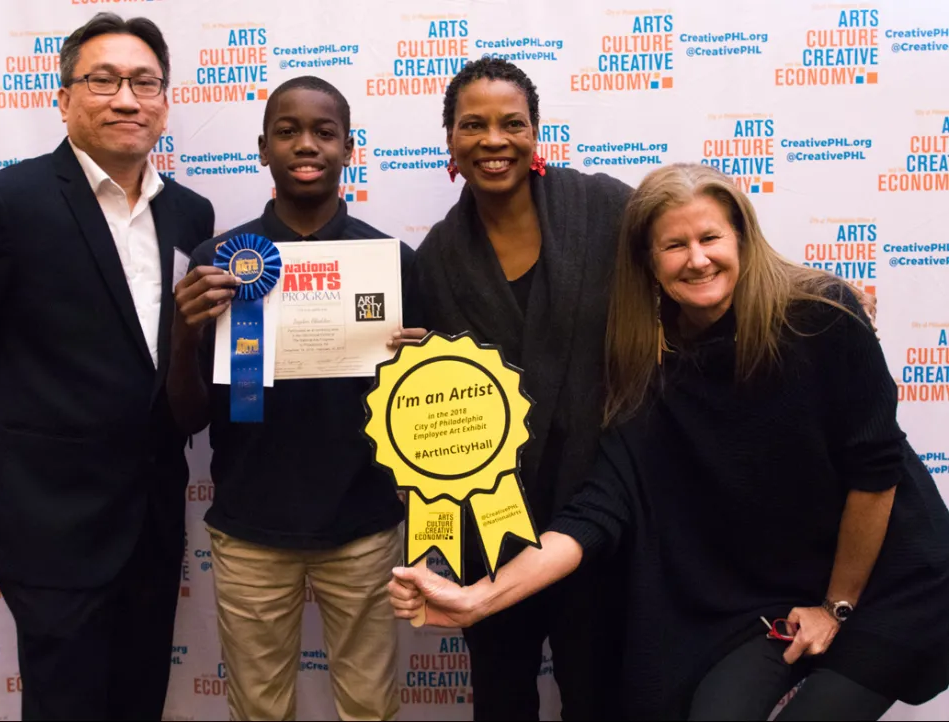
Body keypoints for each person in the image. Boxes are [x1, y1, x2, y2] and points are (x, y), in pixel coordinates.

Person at [389, 163, 949, 720]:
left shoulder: (822, 318)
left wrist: (835, 606)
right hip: (763, 595)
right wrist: (476, 599)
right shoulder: (648, 365)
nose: (698, 258)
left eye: (710, 238)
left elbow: (875, 473)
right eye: (674, 245)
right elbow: (594, 513)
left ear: (743, 239)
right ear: (648, 264)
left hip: (885, 586)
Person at [0, 13, 213, 721]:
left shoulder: (191, 214)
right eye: (103, 80)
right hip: (46, 527)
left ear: (164, 102)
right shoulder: (2, 203)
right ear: (63, 98)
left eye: (145, 82)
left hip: (154, 522)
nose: (126, 99)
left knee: (138, 703)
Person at [391, 57, 634, 721]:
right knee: (501, 697)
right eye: (473, 124)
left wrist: (808, 298)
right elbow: (438, 403)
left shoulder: (603, 206)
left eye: (511, 124)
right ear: (450, 140)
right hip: (493, 522)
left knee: (600, 693)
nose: (493, 140)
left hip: (600, 503)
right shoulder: (436, 258)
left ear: (535, 133)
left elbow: (691, 256)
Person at [167, 76, 416, 722]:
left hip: (363, 525)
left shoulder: (390, 263)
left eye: (324, 132)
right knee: (258, 711)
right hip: (251, 527)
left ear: (348, 148)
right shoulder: (219, 261)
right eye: (288, 130)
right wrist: (183, 330)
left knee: (371, 708)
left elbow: (422, 415)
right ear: (262, 148)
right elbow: (185, 416)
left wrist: (420, 364)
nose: (307, 145)